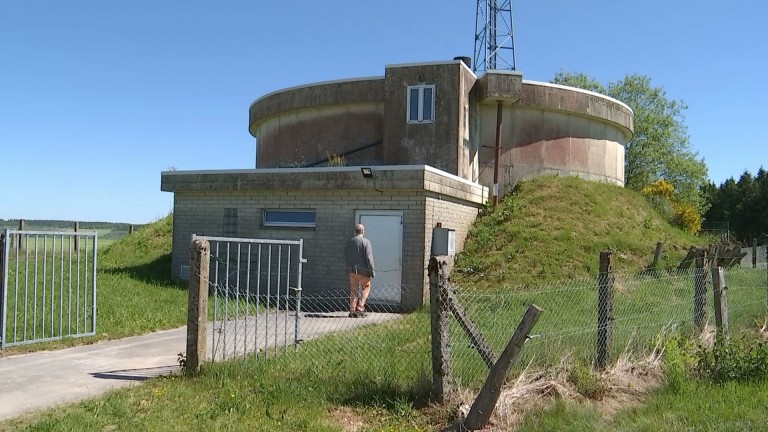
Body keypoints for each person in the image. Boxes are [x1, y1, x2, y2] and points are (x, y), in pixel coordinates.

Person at [344, 223, 375, 318]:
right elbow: (369, 258)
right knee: (366, 288)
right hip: (363, 271)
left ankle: (352, 310)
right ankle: (360, 308)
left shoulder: (349, 242)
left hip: (352, 271)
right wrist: (372, 271)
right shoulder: (366, 242)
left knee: (353, 290)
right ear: (363, 231)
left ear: (355, 231)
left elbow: (346, 256)